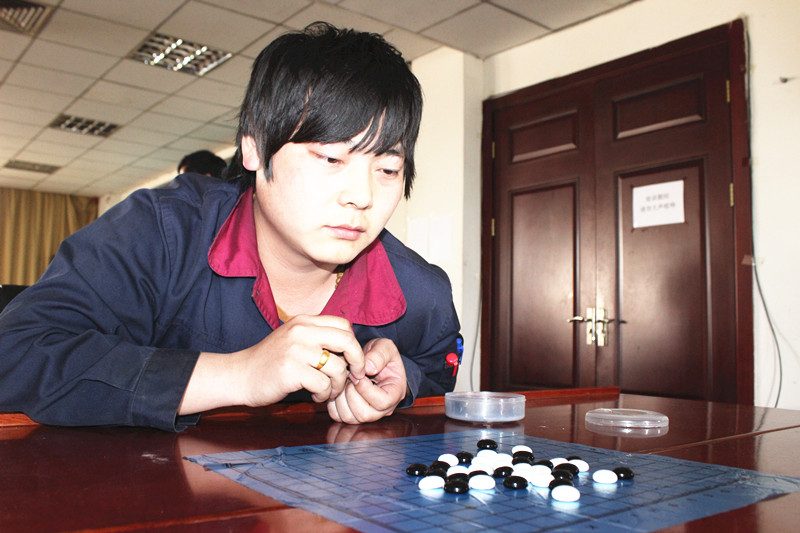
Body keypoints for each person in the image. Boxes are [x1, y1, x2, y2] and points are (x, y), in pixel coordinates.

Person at [0, 22, 461, 431]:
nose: (362, 196)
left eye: (387, 169)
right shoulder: (162, 233)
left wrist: (403, 382)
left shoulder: (423, 294)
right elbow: (15, 353)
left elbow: (437, 379)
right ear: (253, 148)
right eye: (330, 158)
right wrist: (238, 374)